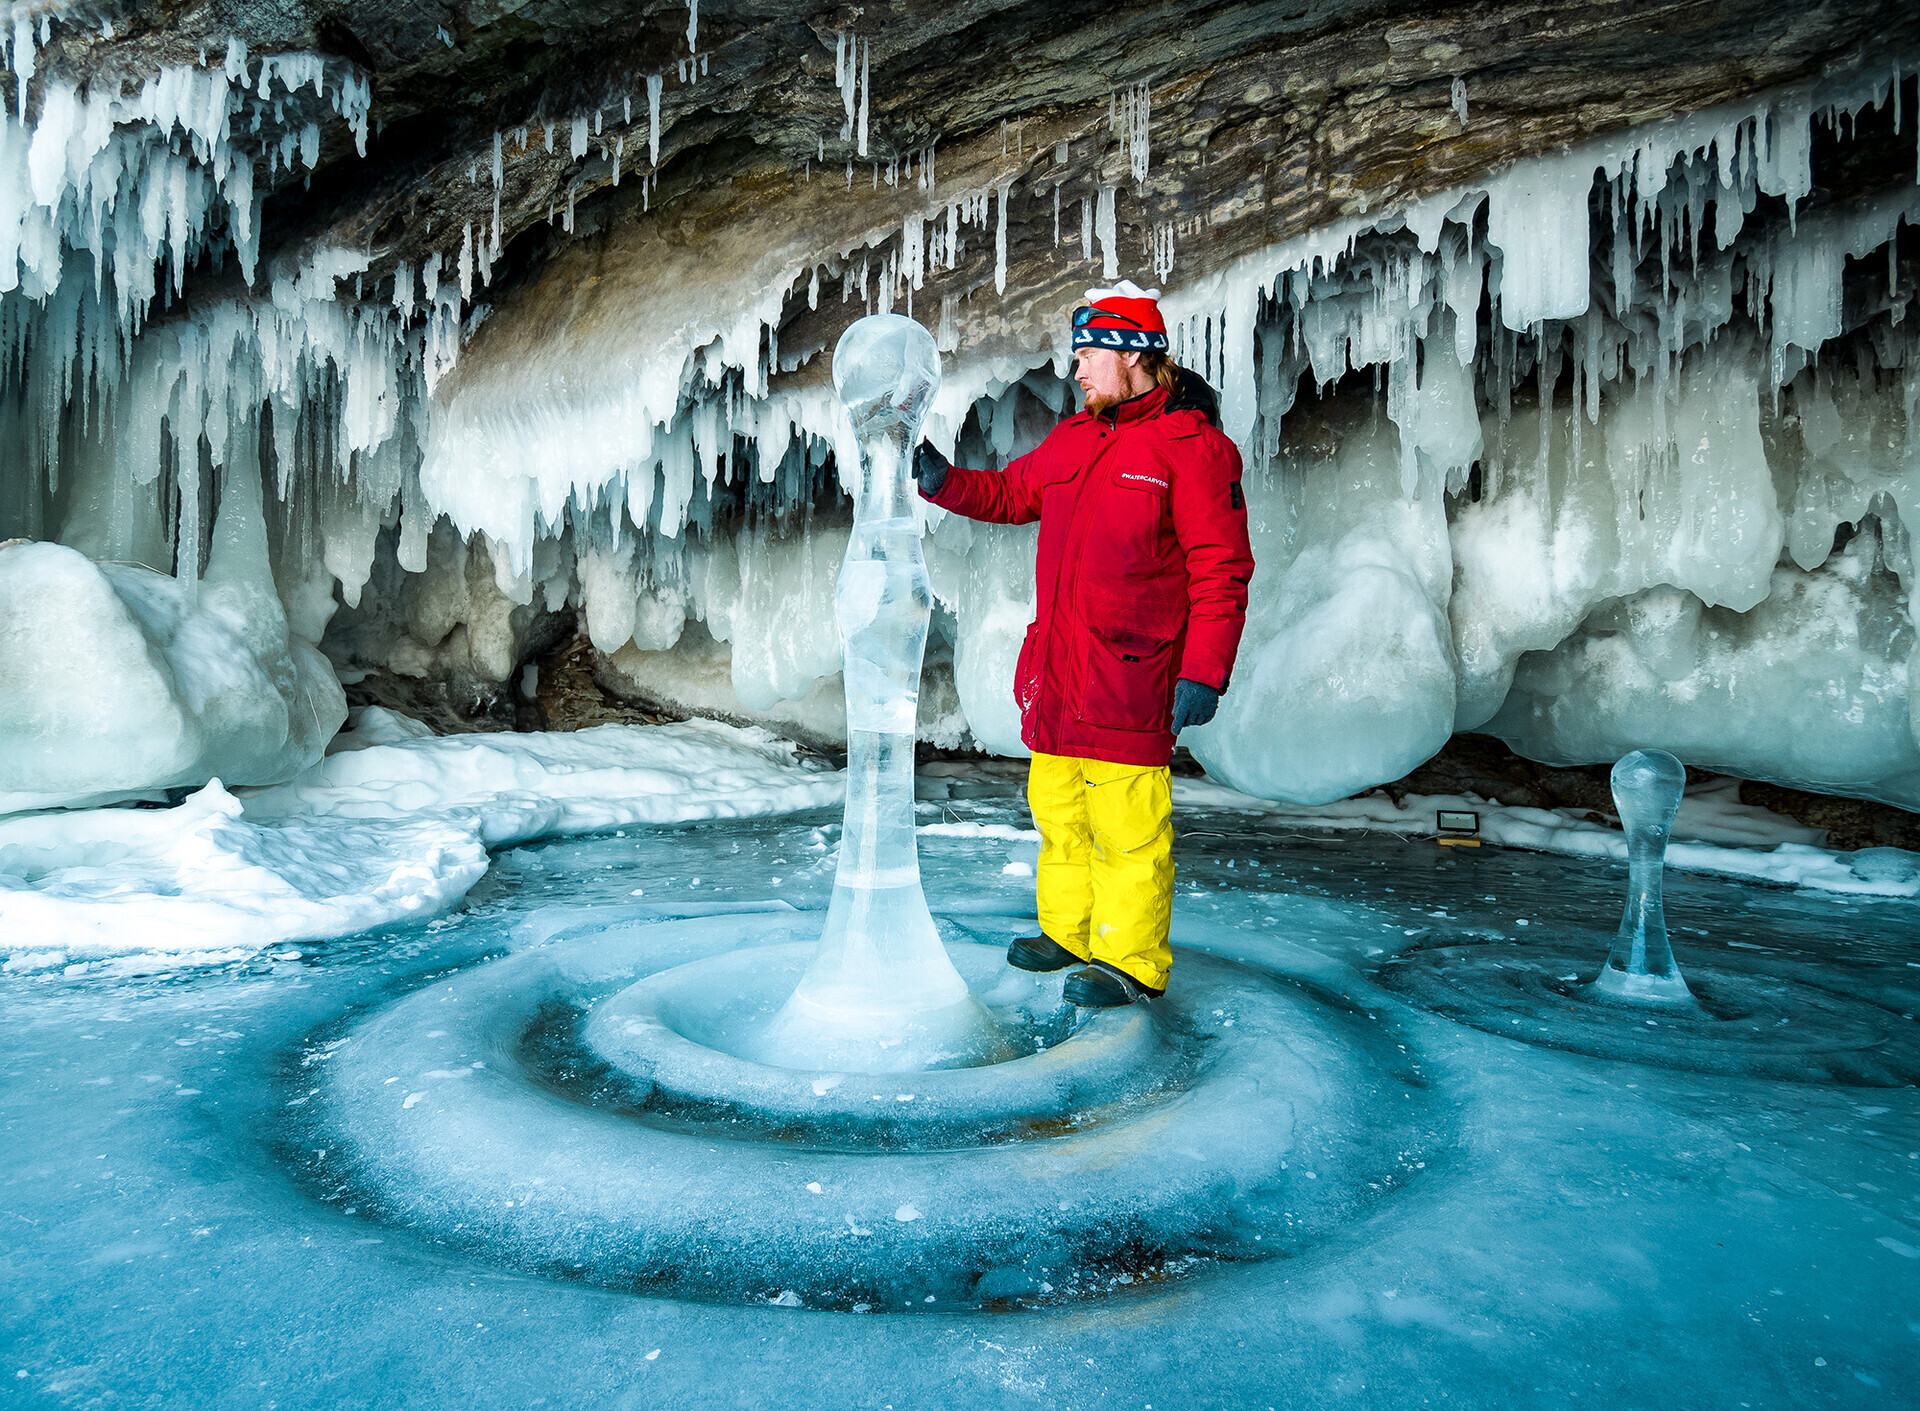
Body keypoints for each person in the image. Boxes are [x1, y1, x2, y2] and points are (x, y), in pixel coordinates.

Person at [913, 280, 1254, 1007]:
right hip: (1062, 671)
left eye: (1088, 355)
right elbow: (1010, 494)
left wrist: (1206, 671)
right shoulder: (1077, 438)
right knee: (1061, 813)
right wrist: (944, 483)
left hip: (1133, 673)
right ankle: (1068, 932)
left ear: (1132, 354)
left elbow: (1221, 569)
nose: (1077, 371)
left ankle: (1129, 961)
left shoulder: (1194, 449)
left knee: (1128, 827)